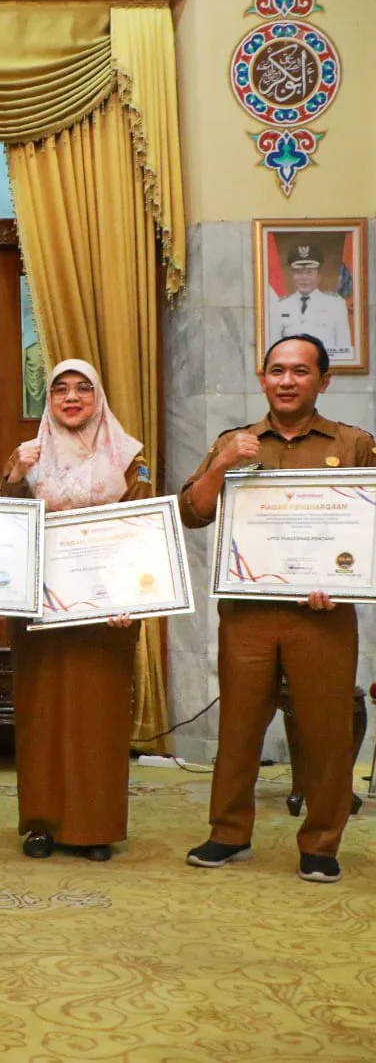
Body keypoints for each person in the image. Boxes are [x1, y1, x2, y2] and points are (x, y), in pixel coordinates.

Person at [178, 333, 372, 884]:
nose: (287, 381)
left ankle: (321, 843)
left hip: (324, 615)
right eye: (277, 371)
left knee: (326, 732)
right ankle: (228, 834)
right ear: (263, 379)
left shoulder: (353, 444)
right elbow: (192, 512)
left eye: (300, 371)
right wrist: (223, 464)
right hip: (248, 614)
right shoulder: (233, 442)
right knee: (240, 727)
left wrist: (345, 578)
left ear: (323, 381)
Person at [1, 359, 153, 861]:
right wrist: (15, 476)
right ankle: (41, 824)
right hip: (41, 612)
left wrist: (131, 598)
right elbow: (3, 526)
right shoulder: (29, 456)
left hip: (107, 614)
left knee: (98, 718)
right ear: (48, 399)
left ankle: (94, 827)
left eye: (83, 388)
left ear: (98, 396)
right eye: (60, 389)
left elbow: (142, 531)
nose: (71, 398)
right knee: (42, 715)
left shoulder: (129, 457)